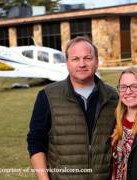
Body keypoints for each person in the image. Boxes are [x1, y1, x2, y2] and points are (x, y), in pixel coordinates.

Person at [27, 36, 118, 179]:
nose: (82, 64)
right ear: (67, 63)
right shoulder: (47, 96)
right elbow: (36, 141)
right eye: (75, 59)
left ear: (97, 62)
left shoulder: (113, 97)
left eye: (88, 58)